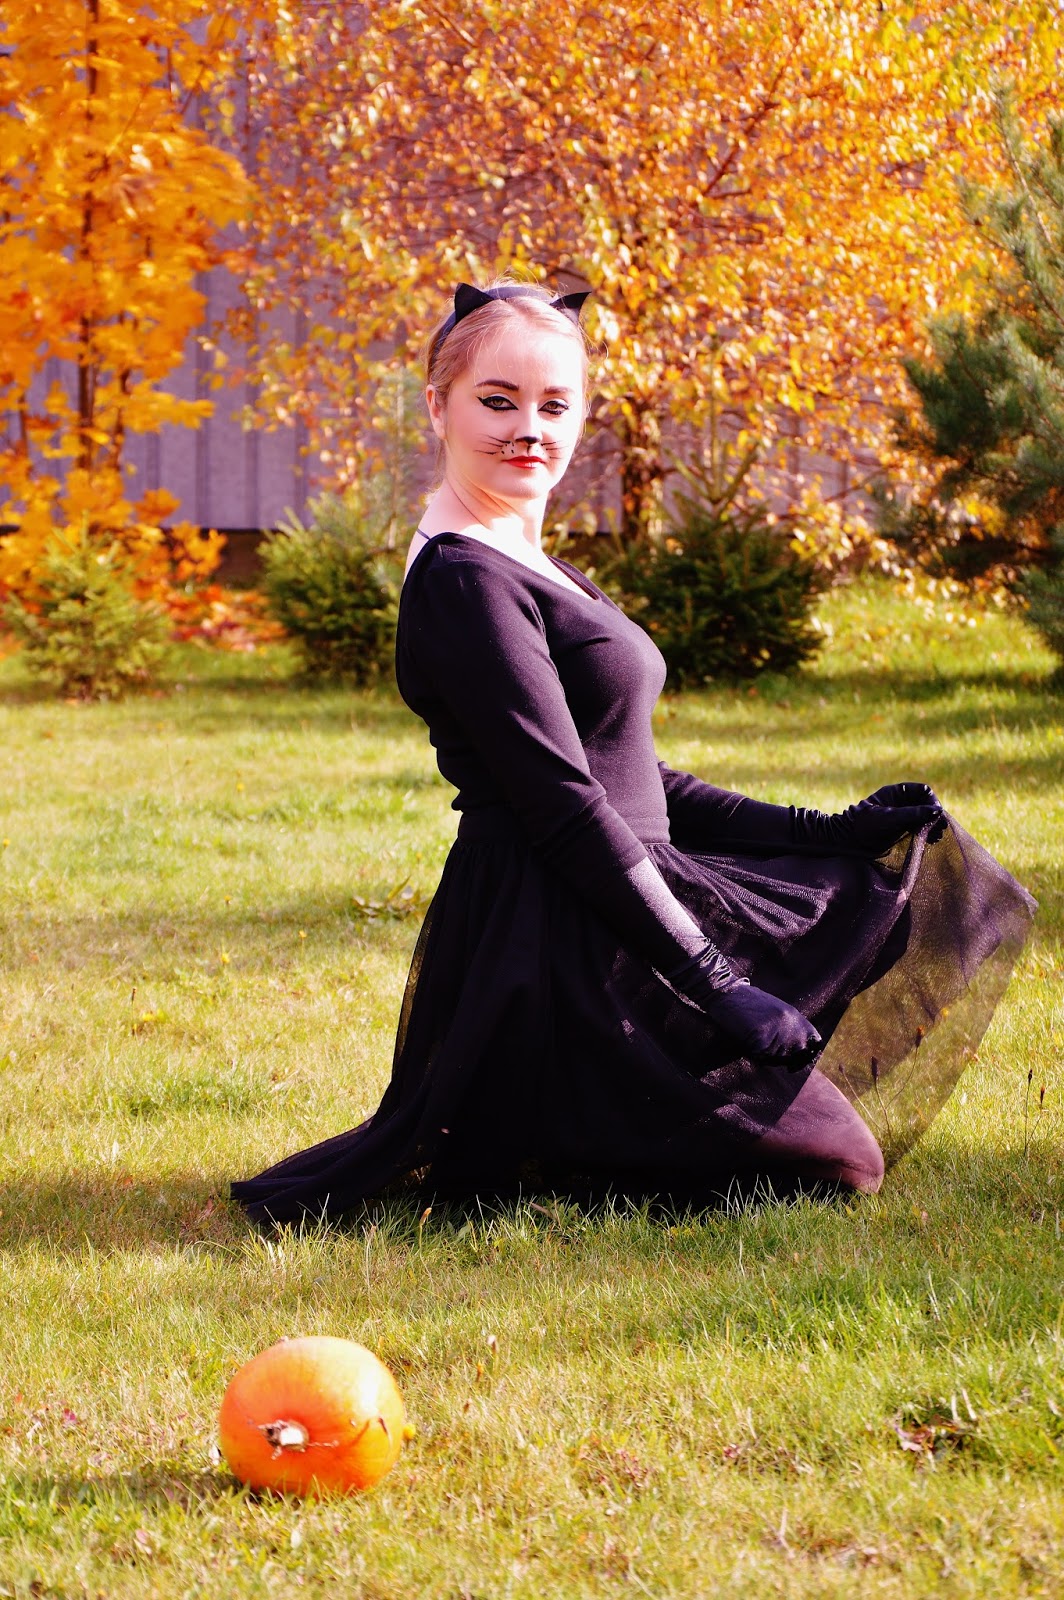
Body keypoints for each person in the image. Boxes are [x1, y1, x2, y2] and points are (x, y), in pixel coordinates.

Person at [233, 280, 1036, 1226]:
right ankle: (564, 1126)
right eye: (498, 401)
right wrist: (717, 984)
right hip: (560, 930)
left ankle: (573, 1120)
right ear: (438, 406)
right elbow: (566, 803)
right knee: (838, 1164)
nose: (529, 429)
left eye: (554, 405)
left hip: (612, 889)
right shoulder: (465, 580)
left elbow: (628, 771)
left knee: (884, 927)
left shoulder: (527, 558)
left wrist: (824, 830)